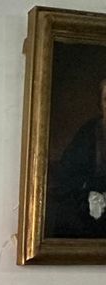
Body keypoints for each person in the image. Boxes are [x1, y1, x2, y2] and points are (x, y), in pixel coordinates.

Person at [48, 77, 106, 238]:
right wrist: (88, 193)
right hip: (92, 204)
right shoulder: (88, 133)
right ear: (101, 105)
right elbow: (67, 174)